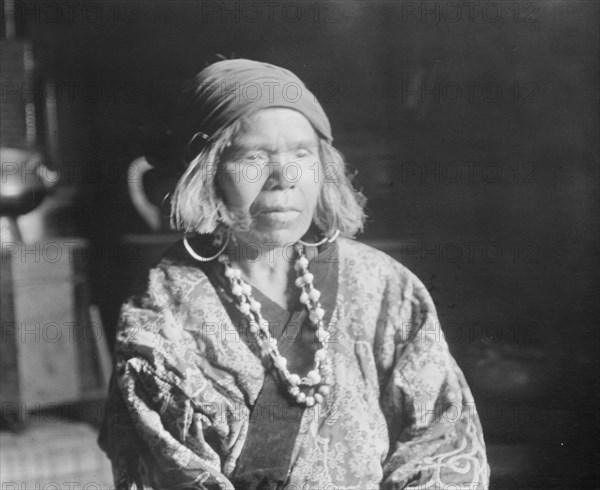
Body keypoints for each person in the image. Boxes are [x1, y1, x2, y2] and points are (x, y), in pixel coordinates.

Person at [98, 59, 489, 490]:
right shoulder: (161, 317)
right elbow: (172, 474)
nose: (284, 177)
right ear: (206, 170)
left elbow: (443, 441)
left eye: (302, 154)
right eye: (253, 157)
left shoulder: (383, 285)